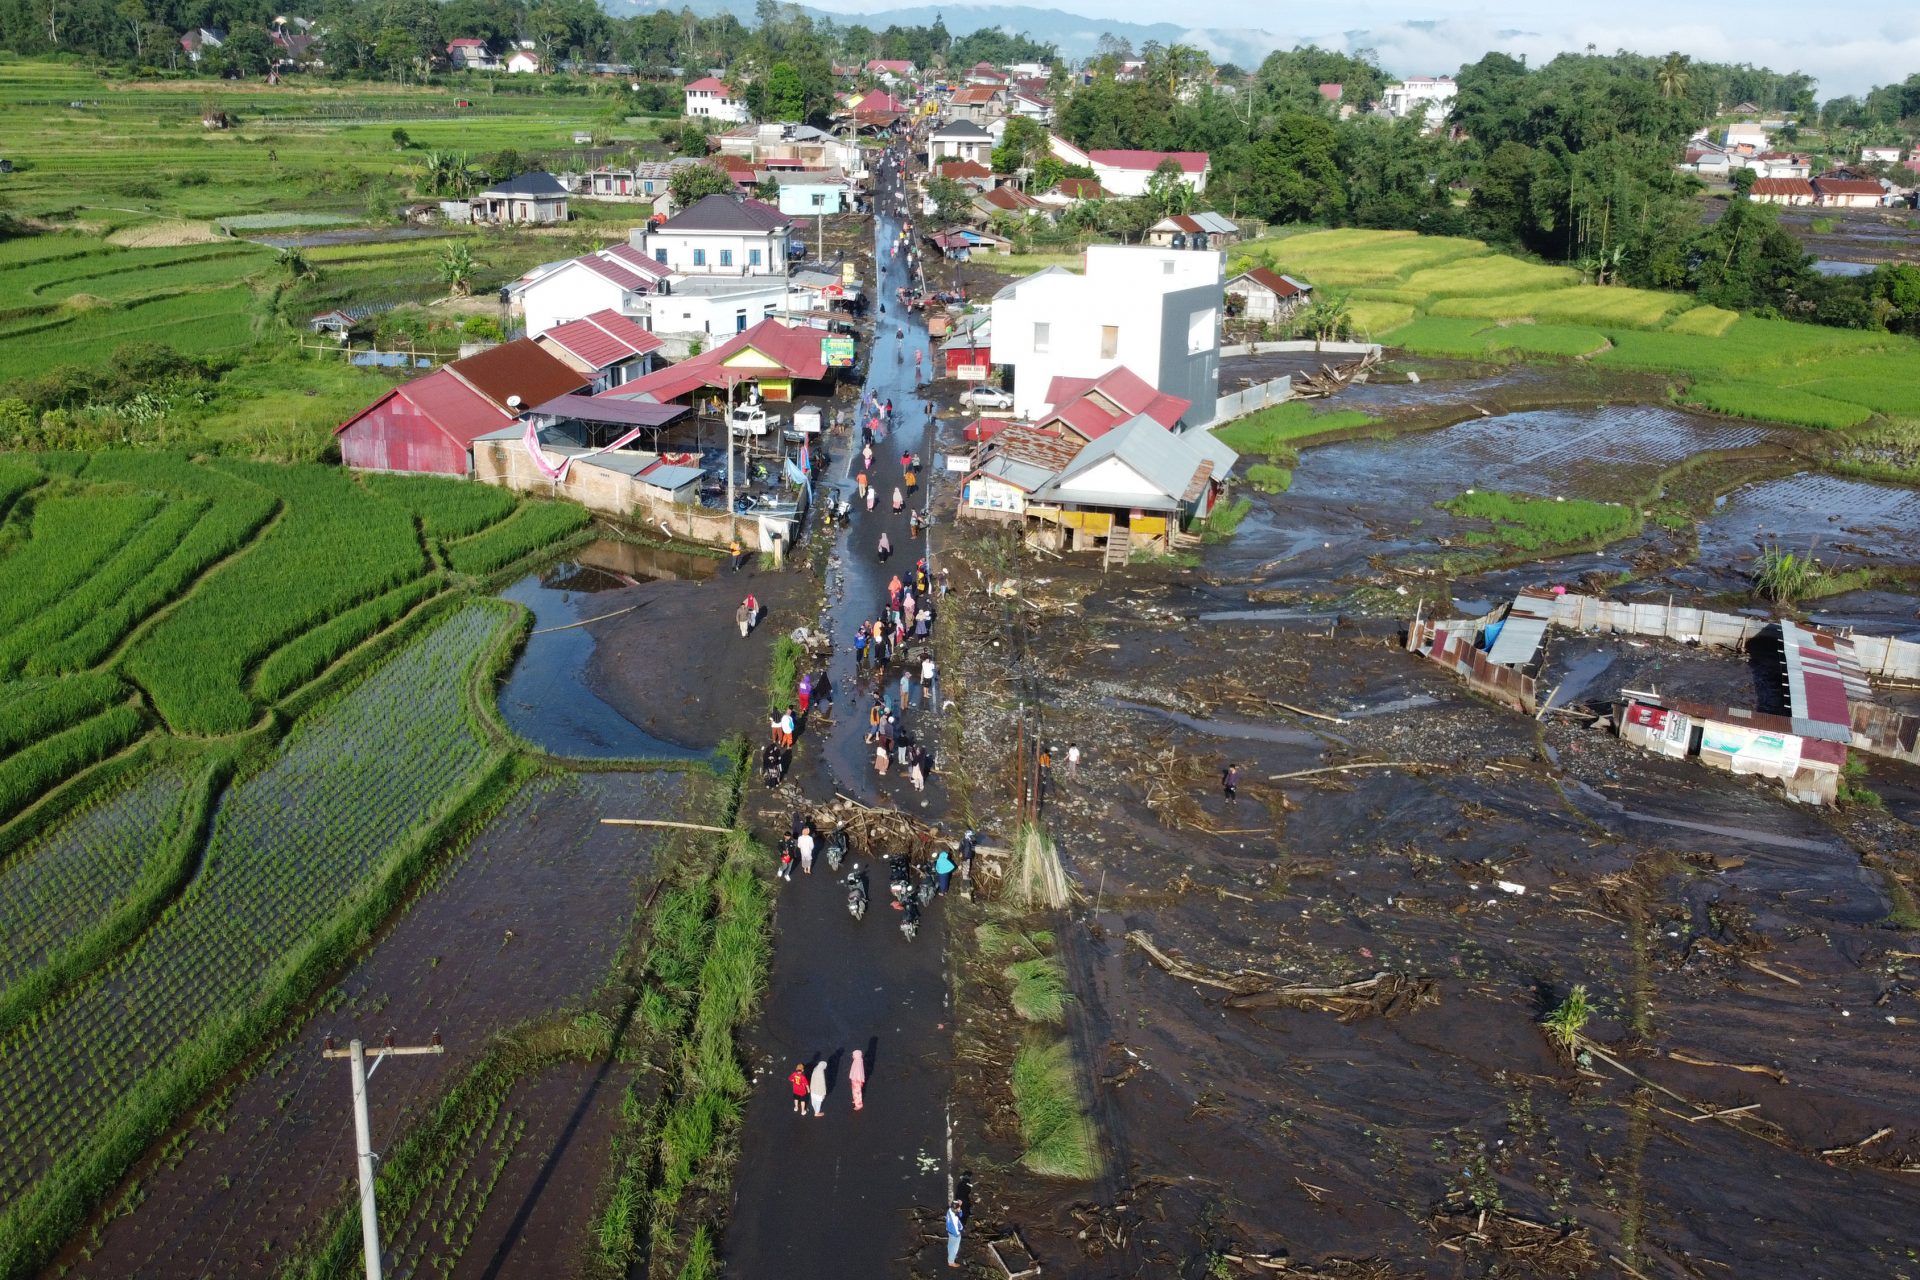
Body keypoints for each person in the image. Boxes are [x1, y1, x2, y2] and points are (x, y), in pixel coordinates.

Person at [946, 1200, 964, 1268]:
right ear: (956, 1209)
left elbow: (960, 1214)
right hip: (954, 1234)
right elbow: (955, 1229)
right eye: (958, 1208)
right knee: (954, 1248)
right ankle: (951, 1262)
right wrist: (958, 1235)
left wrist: (959, 1205)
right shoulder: (954, 1218)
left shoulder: (950, 1210)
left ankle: (950, 1257)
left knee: (950, 1244)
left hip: (950, 1231)